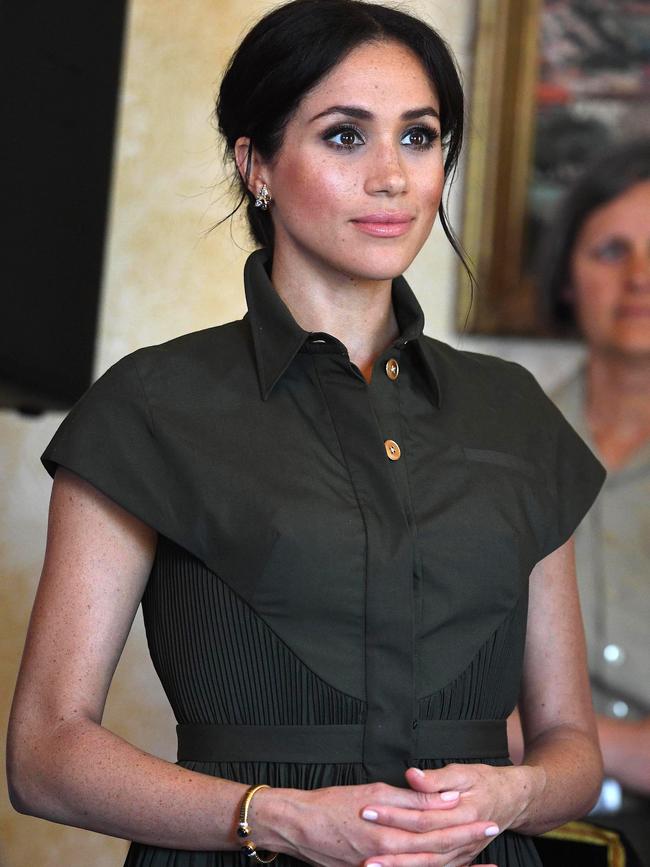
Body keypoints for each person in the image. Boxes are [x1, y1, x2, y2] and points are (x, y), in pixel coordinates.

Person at [7, 2, 606, 866]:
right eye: (344, 136)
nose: (393, 177)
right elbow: (44, 754)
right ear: (257, 164)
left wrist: (512, 792)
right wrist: (275, 816)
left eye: (420, 136)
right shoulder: (149, 404)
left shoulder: (515, 414)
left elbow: (570, 747)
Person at [538, 140, 650, 859]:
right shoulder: (501, 449)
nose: (640, 277)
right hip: (527, 815)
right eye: (612, 250)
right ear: (567, 279)